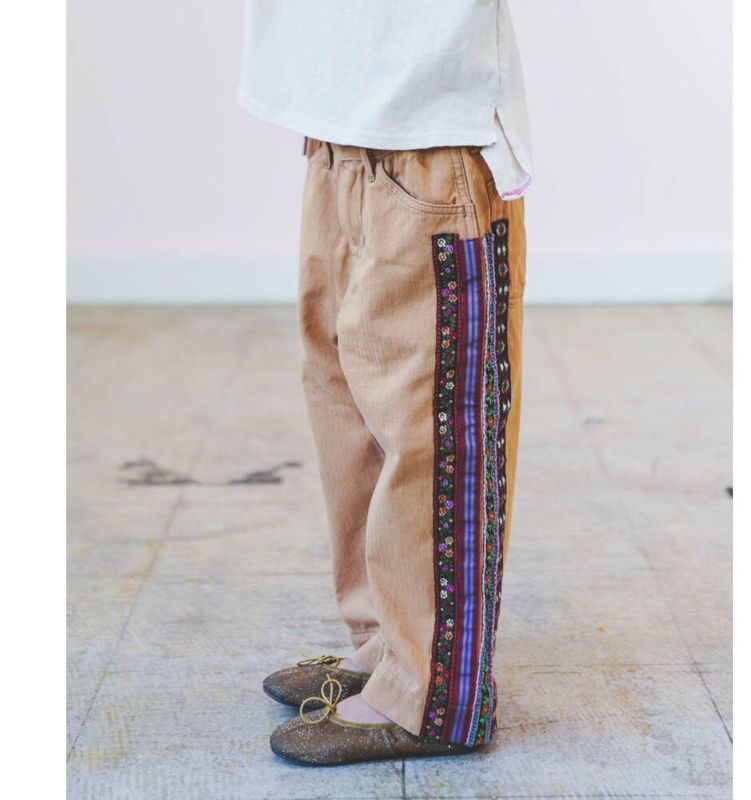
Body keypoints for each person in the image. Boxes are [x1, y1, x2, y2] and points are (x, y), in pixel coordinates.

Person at [240, 0, 533, 766]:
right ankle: (388, 646)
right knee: (345, 406)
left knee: (428, 426)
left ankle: (431, 696)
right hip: (334, 120)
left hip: (432, 128)